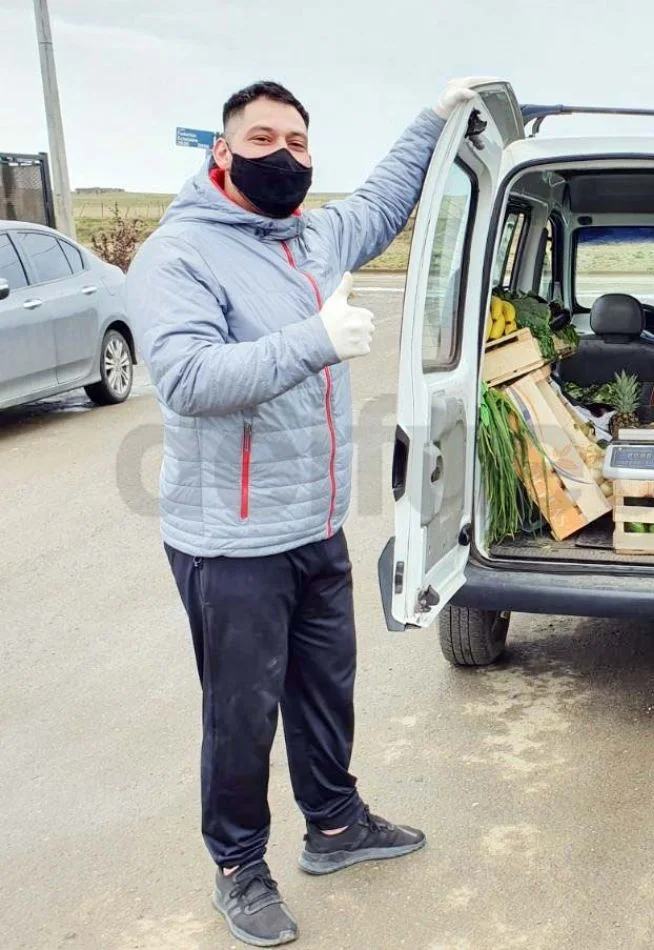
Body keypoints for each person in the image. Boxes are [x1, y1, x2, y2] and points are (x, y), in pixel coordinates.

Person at [126, 78, 480, 947]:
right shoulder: (180, 255)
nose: (282, 154)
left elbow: (386, 198)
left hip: (314, 523)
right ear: (221, 153)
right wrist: (313, 342)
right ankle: (240, 867)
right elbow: (188, 379)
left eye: (296, 141)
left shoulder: (312, 238)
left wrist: (431, 120)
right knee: (241, 713)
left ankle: (335, 826)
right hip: (231, 540)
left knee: (326, 689)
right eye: (261, 139)